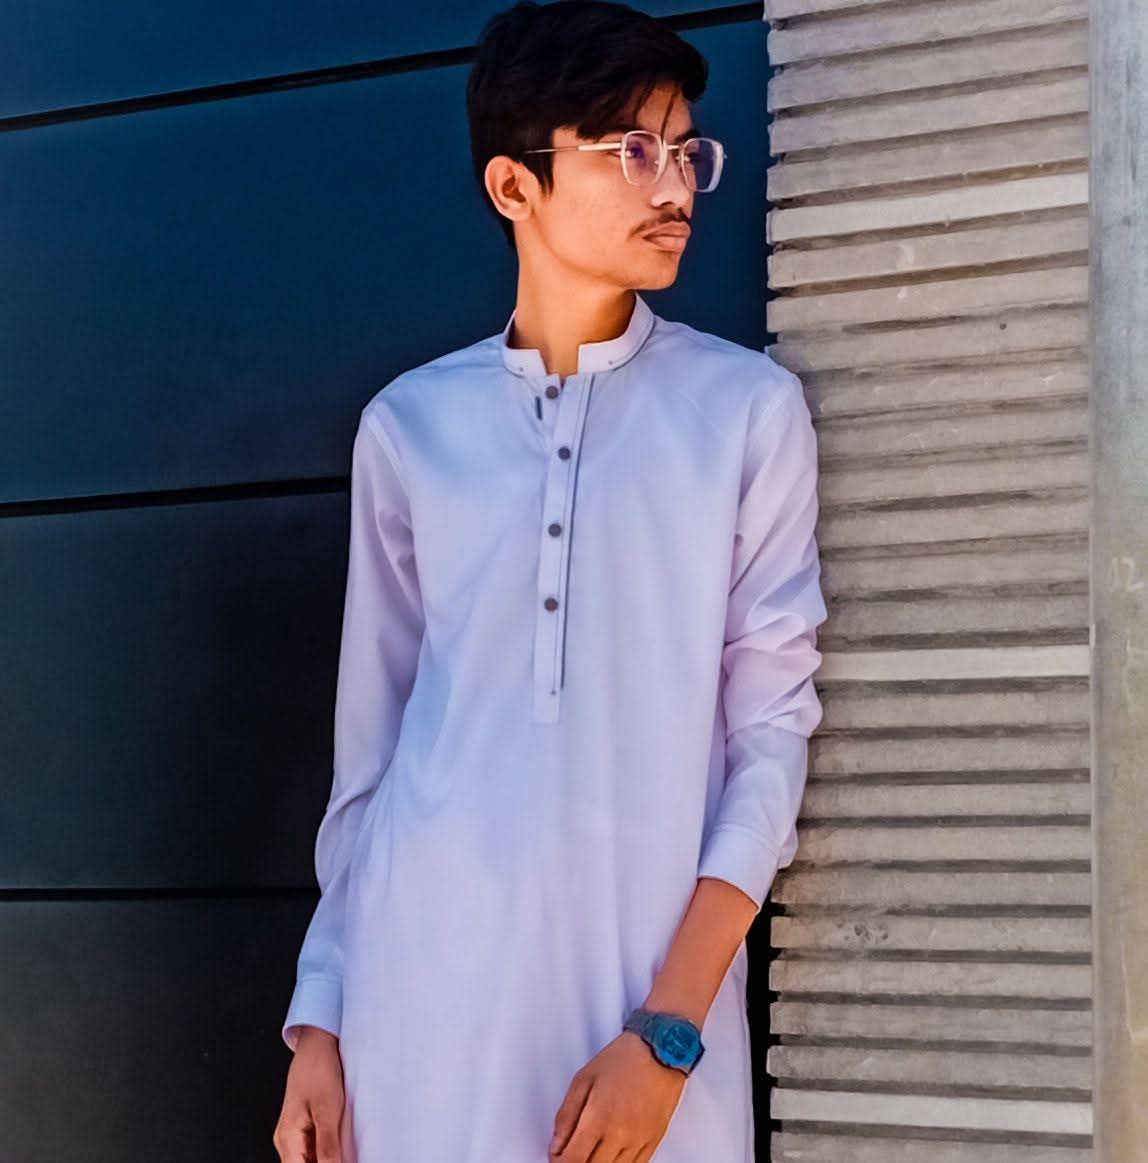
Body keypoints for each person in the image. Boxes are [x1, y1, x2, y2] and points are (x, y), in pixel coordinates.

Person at [272, 2, 826, 1160]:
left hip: (640, 1019)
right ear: (513, 186)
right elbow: (370, 761)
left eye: (685, 152)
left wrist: (669, 1029)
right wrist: (319, 1021)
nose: (672, 186)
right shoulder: (409, 429)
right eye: (632, 150)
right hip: (415, 1011)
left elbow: (769, 742)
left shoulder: (744, 414)